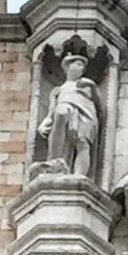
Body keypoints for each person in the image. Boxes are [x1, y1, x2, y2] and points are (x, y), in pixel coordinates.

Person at [38, 44, 100, 178]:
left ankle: (79, 175)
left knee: (83, 144)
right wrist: (47, 120)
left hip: (86, 115)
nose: (81, 68)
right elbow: (52, 108)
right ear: (67, 67)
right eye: (78, 64)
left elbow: (99, 104)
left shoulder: (87, 86)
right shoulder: (59, 89)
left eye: (83, 66)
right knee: (61, 112)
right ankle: (54, 161)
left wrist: (93, 87)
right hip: (66, 112)